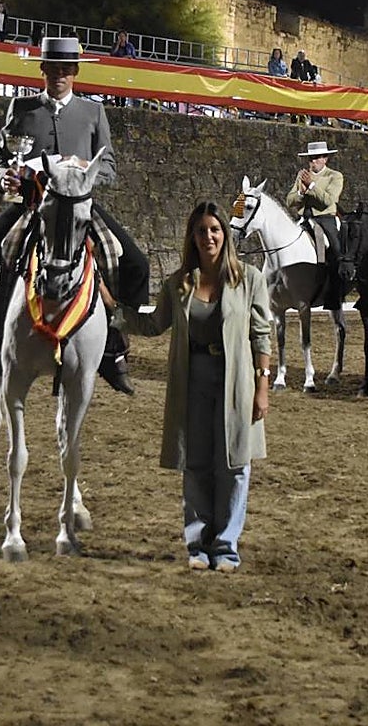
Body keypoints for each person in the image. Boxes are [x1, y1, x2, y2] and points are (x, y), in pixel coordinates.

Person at [0, 36, 149, 395]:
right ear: (43, 69)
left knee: (136, 264)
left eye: (65, 69)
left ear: (75, 72)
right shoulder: (21, 107)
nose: (59, 75)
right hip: (31, 204)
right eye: (53, 69)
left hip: (78, 206)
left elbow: (108, 166)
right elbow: (1, 159)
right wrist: (5, 178)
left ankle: (114, 348)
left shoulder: (93, 112)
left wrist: (84, 167)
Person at [107, 201, 271, 573]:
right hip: (192, 378)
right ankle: (197, 546)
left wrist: (263, 387)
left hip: (236, 382)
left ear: (225, 234)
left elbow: (261, 334)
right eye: (201, 231)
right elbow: (153, 325)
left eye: (215, 229)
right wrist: (113, 307)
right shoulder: (178, 283)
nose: (208, 237)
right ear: (192, 237)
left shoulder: (249, 279)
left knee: (234, 462)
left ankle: (226, 547)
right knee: (195, 462)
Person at [285, 140, 344, 310]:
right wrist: (300, 192)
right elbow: (290, 200)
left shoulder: (335, 176)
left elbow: (329, 200)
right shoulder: (302, 175)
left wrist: (311, 185)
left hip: (325, 219)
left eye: (317, 158)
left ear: (325, 159)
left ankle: (334, 293)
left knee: (335, 250)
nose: (313, 162)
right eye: (311, 159)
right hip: (304, 219)